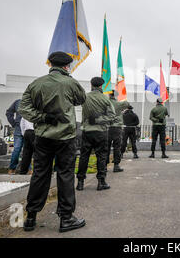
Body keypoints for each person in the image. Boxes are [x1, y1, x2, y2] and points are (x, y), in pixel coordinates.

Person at [18, 51, 86, 233]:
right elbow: (81, 99)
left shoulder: (36, 83)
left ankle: (30, 217)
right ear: (66, 66)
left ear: (51, 65)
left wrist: (42, 117)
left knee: (40, 174)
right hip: (66, 137)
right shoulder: (71, 83)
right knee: (65, 174)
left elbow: (23, 108)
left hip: (43, 136)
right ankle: (66, 218)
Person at [76, 77, 115, 192]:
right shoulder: (105, 99)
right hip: (100, 132)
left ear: (91, 84)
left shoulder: (85, 97)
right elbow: (112, 116)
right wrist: (98, 120)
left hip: (87, 131)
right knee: (101, 157)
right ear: (101, 86)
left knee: (84, 157)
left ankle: (80, 183)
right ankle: (101, 182)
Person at [107, 90, 129, 172]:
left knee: (106, 147)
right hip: (117, 128)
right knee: (117, 147)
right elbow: (127, 104)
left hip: (107, 127)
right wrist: (122, 98)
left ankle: (104, 166)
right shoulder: (119, 104)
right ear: (116, 95)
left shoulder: (105, 103)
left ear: (109, 95)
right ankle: (116, 165)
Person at [6, 99, 23, 174]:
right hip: (28, 128)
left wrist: (14, 123)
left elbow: (9, 112)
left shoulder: (18, 102)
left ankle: (12, 168)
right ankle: (28, 169)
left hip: (20, 127)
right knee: (27, 150)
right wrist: (13, 123)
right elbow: (9, 112)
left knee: (17, 149)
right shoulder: (34, 101)